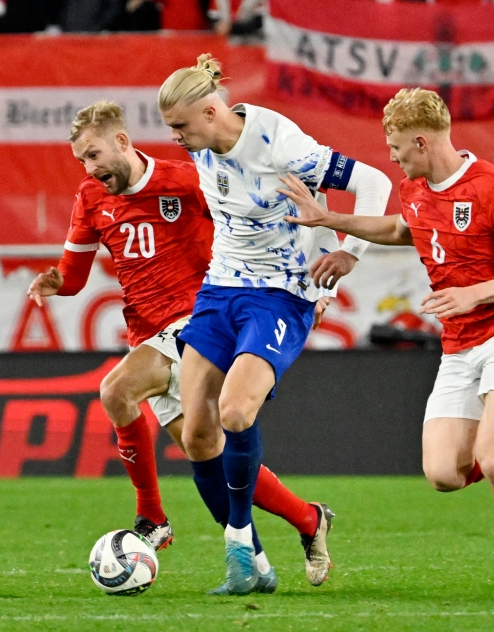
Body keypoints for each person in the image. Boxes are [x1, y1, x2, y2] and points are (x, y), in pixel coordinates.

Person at [277, 87, 494, 601]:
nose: (393, 156)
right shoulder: (415, 188)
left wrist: (475, 293)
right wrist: (331, 219)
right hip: (460, 343)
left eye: (397, 146)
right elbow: (405, 230)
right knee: (444, 474)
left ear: (422, 141)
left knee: (493, 459)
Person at [26, 101, 335, 592]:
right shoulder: (90, 198)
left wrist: (312, 284)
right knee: (208, 456)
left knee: (116, 390)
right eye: (82, 160)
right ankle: (303, 524)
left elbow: (266, 214)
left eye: (94, 154)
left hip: (202, 319)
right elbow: (75, 274)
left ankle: (152, 517)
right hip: (147, 332)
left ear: (123, 142)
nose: (90, 168)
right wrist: (54, 281)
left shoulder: (186, 179)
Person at [158, 54, 392, 595]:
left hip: (280, 295)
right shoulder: (204, 147)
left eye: (180, 126)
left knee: (236, 411)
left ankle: (238, 540)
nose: (173, 137)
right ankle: (264, 561)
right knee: (196, 437)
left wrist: (348, 256)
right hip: (220, 291)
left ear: (211, 111)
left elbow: (374, 183)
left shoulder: (279, 144)